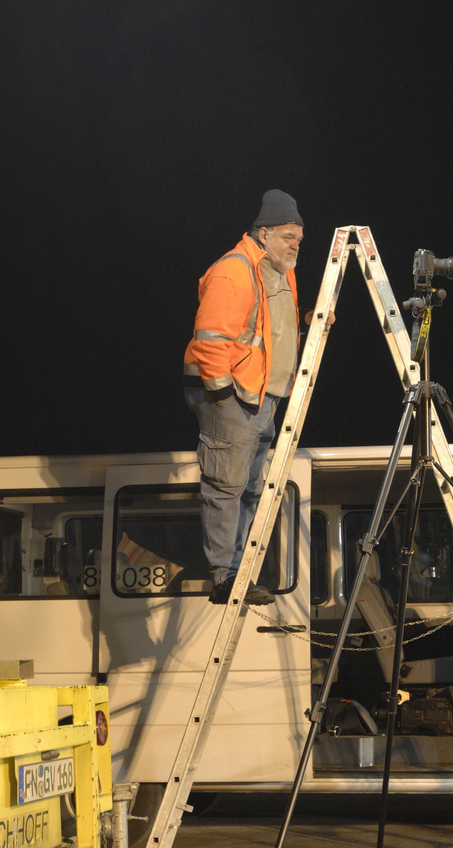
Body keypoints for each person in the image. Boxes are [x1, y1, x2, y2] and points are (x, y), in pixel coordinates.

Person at [183, 189, 306, 605]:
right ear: (264, 231)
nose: (295, 245)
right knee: (226, 484)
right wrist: (222, 393)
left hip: (263, 395)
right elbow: (210, 338)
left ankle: (240, 572)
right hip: (234, 395)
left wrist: (309, 320)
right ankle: (224, 575)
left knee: (251, 487)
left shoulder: (277, 270)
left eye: (299, 239)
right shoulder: (234, 270)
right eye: (289, 236)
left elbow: (269, 327)